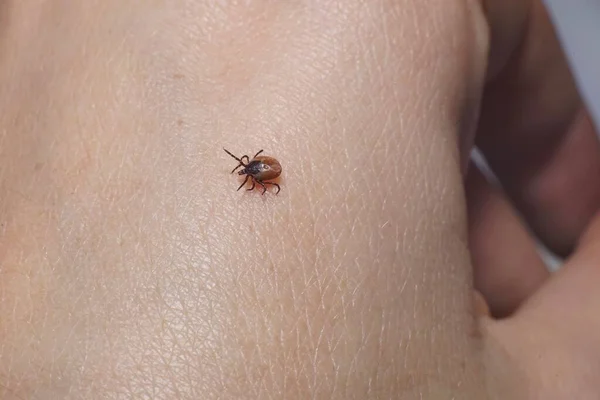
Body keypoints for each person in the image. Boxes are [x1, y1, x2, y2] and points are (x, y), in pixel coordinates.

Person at [0, 0, 598, 398]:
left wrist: (262, 174)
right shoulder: (259, 171)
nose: (248, 175)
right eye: (249, 173)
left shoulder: (263, 172)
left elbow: (266, 169)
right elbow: (261, 167)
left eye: (248, 172)